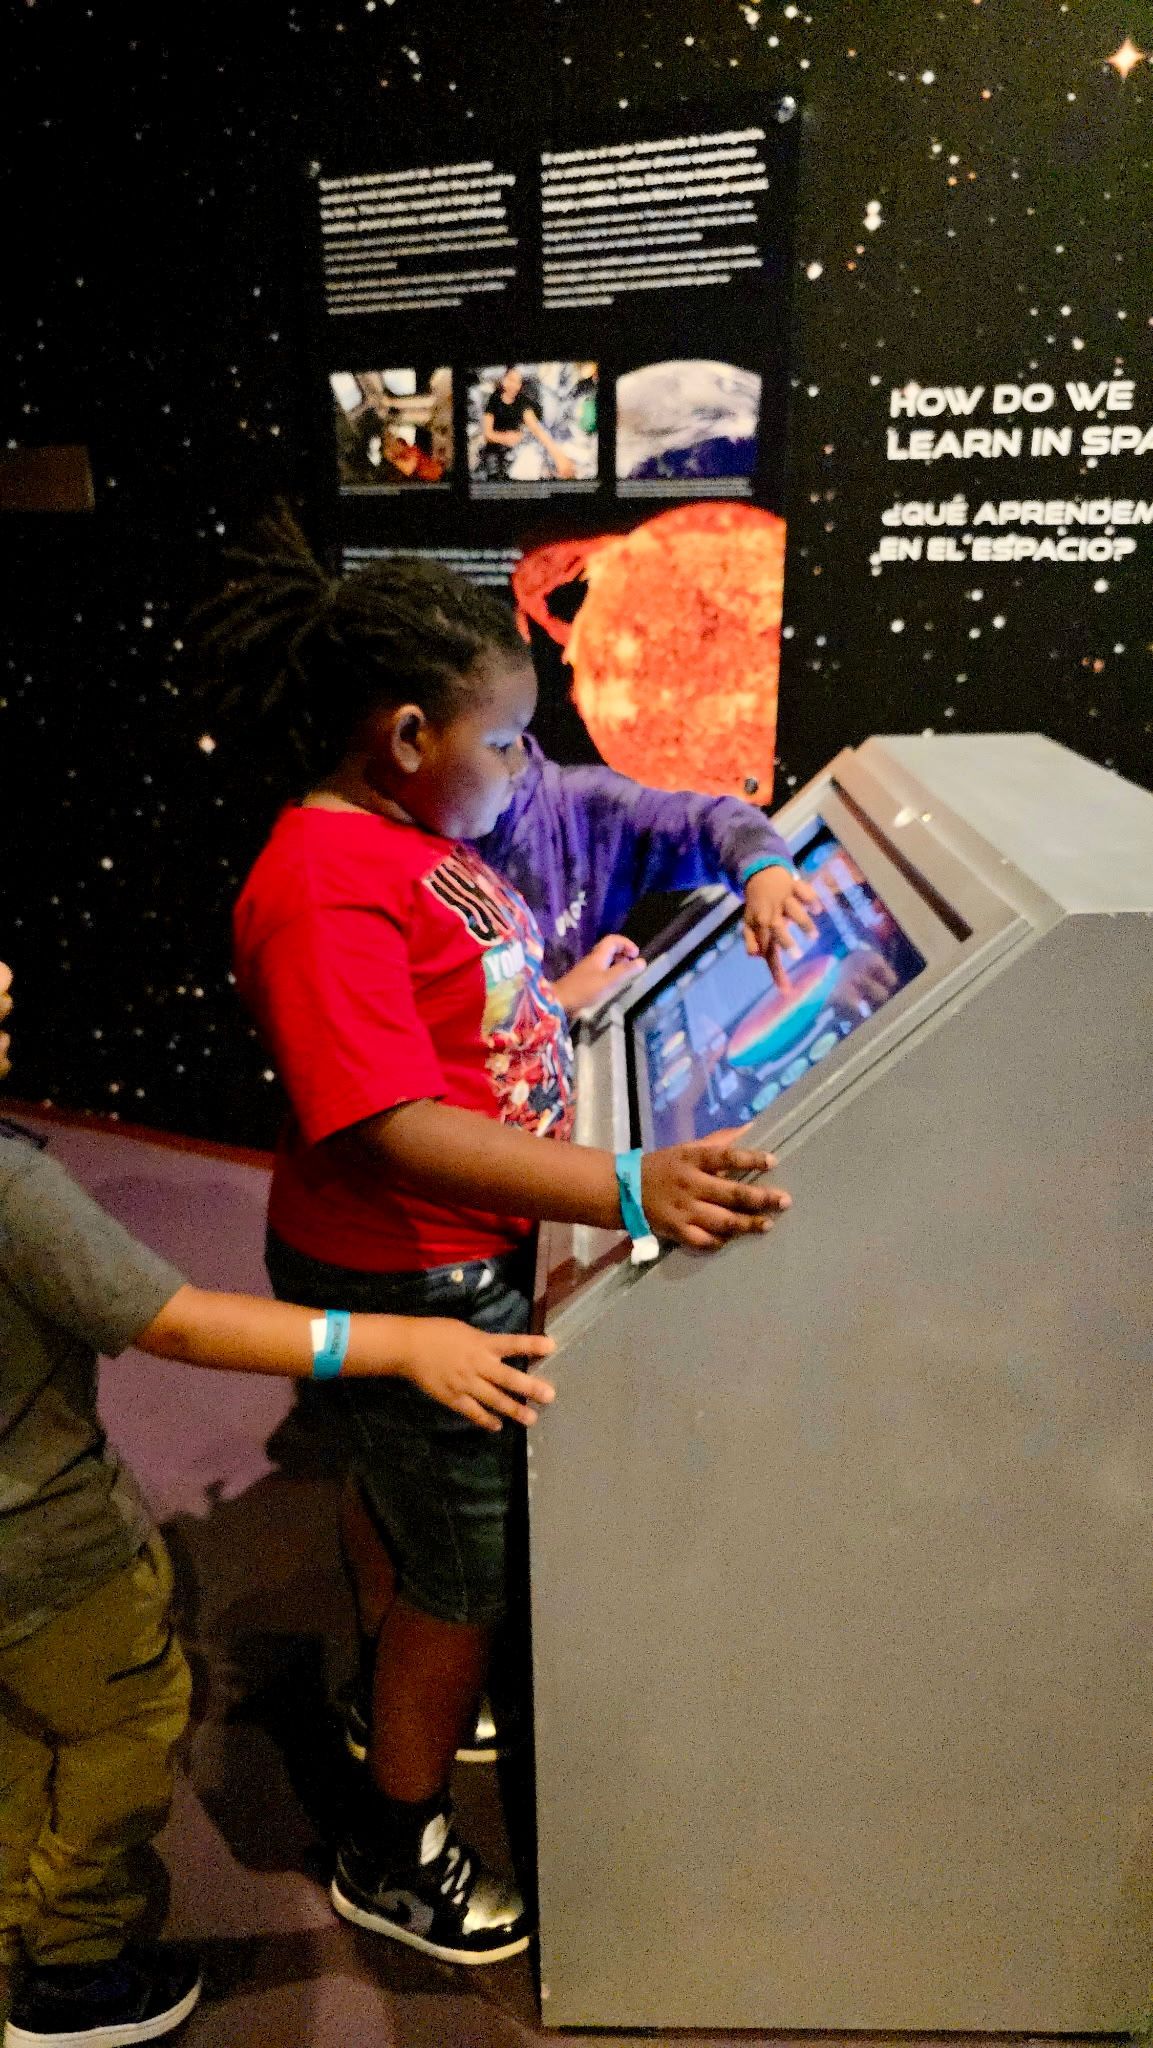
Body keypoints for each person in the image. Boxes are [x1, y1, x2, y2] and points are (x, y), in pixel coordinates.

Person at [200, 510, 792, 1966]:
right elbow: (391, 1124)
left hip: (449, 1248)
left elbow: (453, 1017)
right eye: (511, 743)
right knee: (466, 1568)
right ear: (407, 737)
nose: (531, 770)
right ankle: (394, 1849)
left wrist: (554, 1007)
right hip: (406, 1267)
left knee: (411, 1506)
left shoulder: (410, 839)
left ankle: (384, 1691)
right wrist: (626, 1186)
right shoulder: (319, 883)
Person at [0, 959, 556, 2045]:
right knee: (125, 1724)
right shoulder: (14, 1191)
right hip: (55, 1552)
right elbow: (176, 1321)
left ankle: (19, 1919)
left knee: (24, 1733)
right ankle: (73, 1962)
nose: (10, 975)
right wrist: (398, 1341)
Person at [479, 367, 576, 482]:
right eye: (511, 380)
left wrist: (559, 457)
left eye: (518, 382)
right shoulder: (493, 400)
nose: (515, 386)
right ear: (503, 380)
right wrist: (504, 438)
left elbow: (537, 429)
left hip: (513, 452)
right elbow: (487, 434)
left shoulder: (522, 402)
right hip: (494, 453)